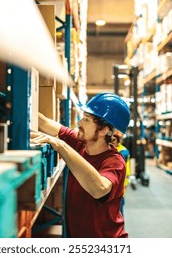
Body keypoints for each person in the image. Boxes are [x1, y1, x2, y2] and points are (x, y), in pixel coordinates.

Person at [30, 92, 130, 238]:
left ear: (103, 130)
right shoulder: (80, 143)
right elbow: (44, 123)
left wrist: (61, 146)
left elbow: (99, 188)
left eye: (87, 120)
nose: (79, 123)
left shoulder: (114, 161)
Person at [112, 131, 131, 216]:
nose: (112, 140)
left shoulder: (123, 152)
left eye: (114, 139)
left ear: (118, 140)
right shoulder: (110, 148)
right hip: (114, 183)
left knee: (118, 210)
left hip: (121, 184)